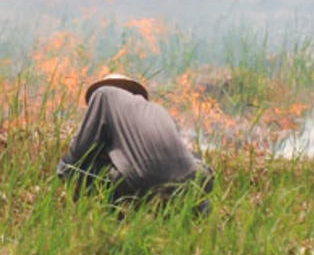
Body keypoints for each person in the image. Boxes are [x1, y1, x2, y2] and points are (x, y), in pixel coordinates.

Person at [57, 74, 213, 212]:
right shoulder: (160, 111)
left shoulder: (104, 94)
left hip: (141, 183)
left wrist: (62, 172)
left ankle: (112, 216)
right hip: (190, 185)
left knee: (84, 167)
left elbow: (81, 151)